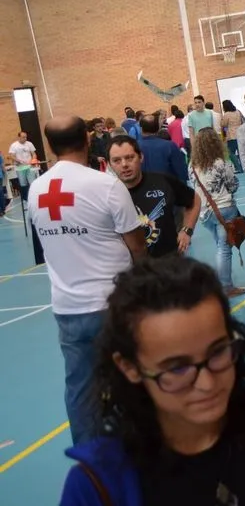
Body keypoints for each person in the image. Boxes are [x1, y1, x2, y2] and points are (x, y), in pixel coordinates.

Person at [59, 257, 245, 506]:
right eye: (177, 368)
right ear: (129, 367)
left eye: (218, 352)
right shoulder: (97, 487)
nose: (207, 384)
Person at [28, 116, 146, 445]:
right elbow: (137, 247)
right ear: (86, 138)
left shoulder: (36, 190)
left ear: (49, 146)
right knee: (134, 380)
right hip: (113, 304)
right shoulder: (106, 185)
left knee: (80, 390)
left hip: (68, 309)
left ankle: (91, 462)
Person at [108, 136, 200, 257]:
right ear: (109, 164)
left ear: (140, 157)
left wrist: (187, 230)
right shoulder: (107, 195)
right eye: (117, 160)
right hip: (131, 270)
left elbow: (194, 200)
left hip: (169, 264)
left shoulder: (163, 181)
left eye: (129, 157)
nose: (124, 164)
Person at [191, 128, 245, 297]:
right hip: (224, 209)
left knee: (219, 246)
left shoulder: (192, 165)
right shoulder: (221, 162)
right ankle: (226, 286)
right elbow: (233, 185)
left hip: (204, 212)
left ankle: (221, 282)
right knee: (224, 248)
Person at [139, 114, 187, 182]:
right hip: (167, 188)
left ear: (141, 129)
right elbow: (182, 172)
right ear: (158, 127)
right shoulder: (170, 146)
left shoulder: (133, 146)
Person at [8, 131, 37, 196]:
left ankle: (34, 196)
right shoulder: (14, 145)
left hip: (29, 166)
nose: (25, 138)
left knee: (32, 182)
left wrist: (33, 159)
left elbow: (34, 154)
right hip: (20, 168)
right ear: (19, 137)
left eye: (26, 137)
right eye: (23, 137)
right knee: (23, 184)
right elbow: (11, 156)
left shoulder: (29, 144)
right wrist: (19, 161)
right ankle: (25, 198)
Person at [221, 99, 245, 172]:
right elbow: (243, 120)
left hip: (231, 136)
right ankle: (243, 167)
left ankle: (238, 167)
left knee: (231, 152)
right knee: (241, 153)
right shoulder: (238, 112)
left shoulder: (227, 114)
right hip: (240, 134)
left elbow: (223, 125)